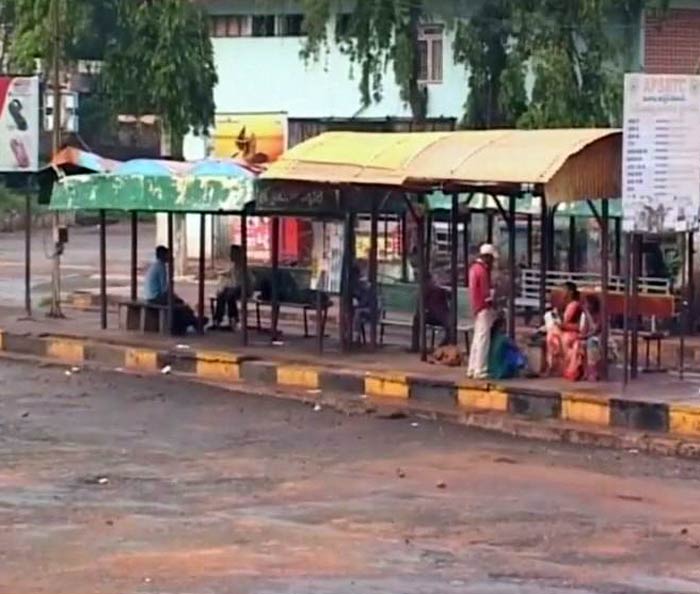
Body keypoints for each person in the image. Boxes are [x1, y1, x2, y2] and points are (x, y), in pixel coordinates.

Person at [143, 245, 201, 335]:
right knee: (179, 304)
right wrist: (174, 296)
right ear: (163, 255)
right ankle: (193, 322)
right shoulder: (161, 267)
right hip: (155, 297)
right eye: (167, 254)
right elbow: (164, 290)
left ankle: (193, 321)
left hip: (150, 296)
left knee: (178, 302)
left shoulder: (155, 265)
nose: (170, 256)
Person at [466, 243, 498, 379]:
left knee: (477, 338)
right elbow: (485, 293)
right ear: (487, 257)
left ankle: (472, 368)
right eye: (491, 259)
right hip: (483, 307)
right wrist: (493, 304)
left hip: (476, 307)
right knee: (483, 339)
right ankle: (481, 369)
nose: (492, 262)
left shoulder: (473, 269)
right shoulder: (482, 271)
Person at [545, 281, 584, 380]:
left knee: (553, 335)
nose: (562, 293)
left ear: (570, 292)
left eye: (564, 291)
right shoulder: (567, 304)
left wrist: (558, 321)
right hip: (566, 330)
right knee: (552, 333)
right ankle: (554, 366)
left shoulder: (574, 305)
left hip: (573, 332)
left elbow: (567, 322)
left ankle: (557, 367)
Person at [411, 273, 450, 352]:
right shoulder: (427, 290)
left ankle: (441, 346)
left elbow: (450, 295)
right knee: (417, 319)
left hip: (439, 316)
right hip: (434, 316)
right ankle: (416, 346)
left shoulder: (437, 290)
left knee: (450, 327)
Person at [213, 245, 245, 330]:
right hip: (236, 288)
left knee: (229, 295)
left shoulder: (242, 266)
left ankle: (233, 318)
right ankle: (218, 319)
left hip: (243, 289)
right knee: (221, 294)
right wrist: (219, 273)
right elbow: (229, 273)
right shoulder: (235, 265)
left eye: (232, 254)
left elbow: (242, 283)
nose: (230, 256)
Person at [488, 315, 527, 380]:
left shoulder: (493, 337)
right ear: (500, 327)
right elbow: (515, 347)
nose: (506, 328)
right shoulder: (503, 338)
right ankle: (522, 369)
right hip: (502, 371)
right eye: (504, 326)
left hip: (492, 371)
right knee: (515, 353)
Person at [582, 294, 603, 381]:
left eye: (587, 303)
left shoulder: (600, 315)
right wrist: (582, 336)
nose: (585, 306)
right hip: (590, 337)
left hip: (600, 339)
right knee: (581, 344)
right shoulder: (587, 315)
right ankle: (585, 372)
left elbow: (597, 330)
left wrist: (586, 336)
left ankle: (594, 372)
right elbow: (585, 329)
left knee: (591, 343)